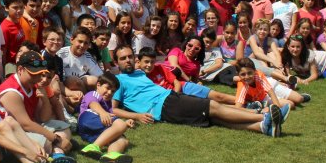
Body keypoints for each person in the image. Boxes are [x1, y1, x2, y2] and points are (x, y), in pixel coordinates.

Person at [111, 47, 286, 137]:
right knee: (213, 106)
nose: (127, 61)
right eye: (122, 58)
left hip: (169, 99)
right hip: (164, 105)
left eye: (129, 57)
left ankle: (262, 127)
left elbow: (166, 68)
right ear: (116, 61)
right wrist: (137, 116)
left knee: (214, 118)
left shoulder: (139, 72)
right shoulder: (118, 80)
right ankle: (263, 116)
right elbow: (114, 108)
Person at [0, 51, 74, 163]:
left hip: (28, 128)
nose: (38, 77)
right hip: (11, 136)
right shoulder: (11, 91)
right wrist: (56, 139)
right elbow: (25, 124)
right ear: (20, 69)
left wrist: (45, 100)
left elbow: (42, 118)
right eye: (33, 73)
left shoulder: (32, 85)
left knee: (64, 127)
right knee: (46, 142)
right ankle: (57, 153)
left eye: (39, 73)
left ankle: (56, 154)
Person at [234, 58, 294, 123]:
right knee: (290, 104)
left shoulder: (258, 75)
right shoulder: (242, 86)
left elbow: (271, 92)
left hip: (267, 94)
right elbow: (238, 108)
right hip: (256, 101)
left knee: (294, 101)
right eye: (243, 74)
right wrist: (260, 110)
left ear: (255, 71)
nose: (247, 77)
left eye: (249, 73)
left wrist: (278, 109)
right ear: (238, 75)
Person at [0, 0, 27, 68]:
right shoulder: (5, 28)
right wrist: (5, 69)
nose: (19, 10)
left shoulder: (19, 21)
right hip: (11, 66)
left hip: (21, 62)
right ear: (6, 8)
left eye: (21, 7)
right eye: (15, 7)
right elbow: (3, 52)